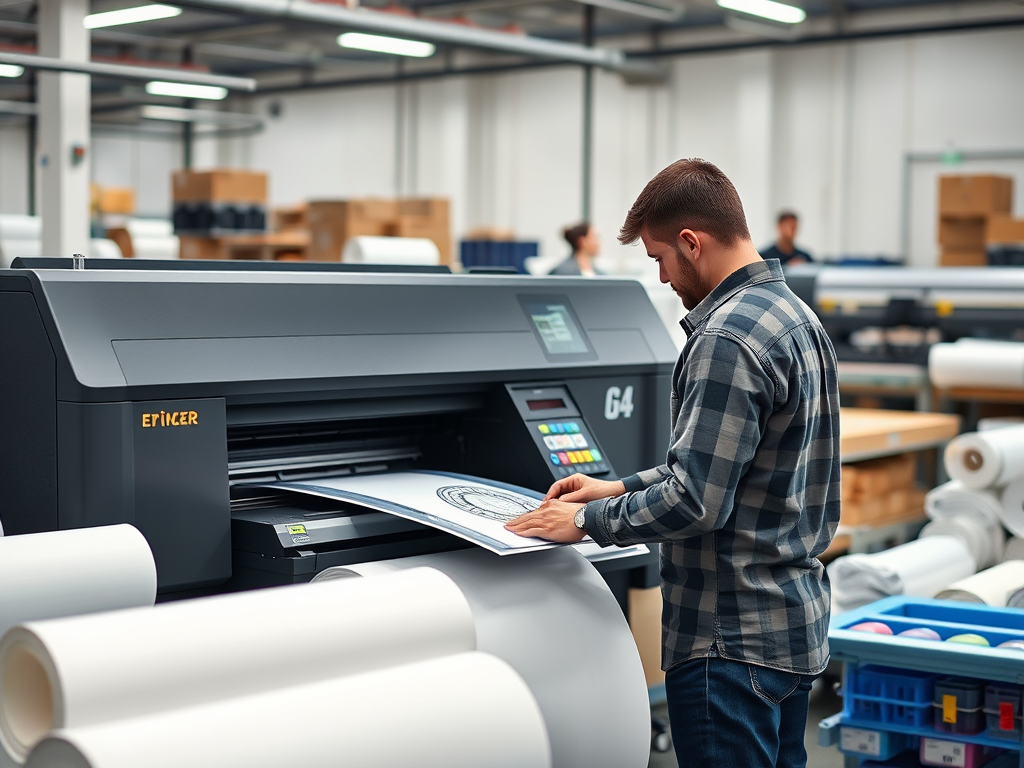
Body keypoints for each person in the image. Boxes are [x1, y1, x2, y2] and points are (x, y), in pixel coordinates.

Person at [507, 159, 840, 768]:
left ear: (693, 241)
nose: (661, 278)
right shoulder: (795, 318)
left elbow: (696, 500)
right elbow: (726, 467)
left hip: (729, 642)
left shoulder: (725, 337)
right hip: (791, 628)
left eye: (660, 258)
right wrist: (613, 486)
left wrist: (587, 523)